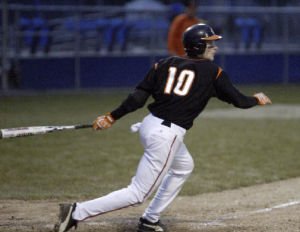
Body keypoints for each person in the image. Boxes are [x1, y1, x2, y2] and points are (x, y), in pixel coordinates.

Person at [54, 23, 271, 232]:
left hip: (150, 125)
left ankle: (150, 220)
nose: (215, 47)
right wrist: (257, 99)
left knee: (183, 166)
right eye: (210, 43)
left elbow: (137, 98)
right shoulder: (213, 72)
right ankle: (76, 212)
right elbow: (240, 101)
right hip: (166, 134)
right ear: (197, 46)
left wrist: (111, 117)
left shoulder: (163, 64)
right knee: (137, 193)